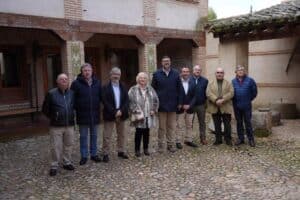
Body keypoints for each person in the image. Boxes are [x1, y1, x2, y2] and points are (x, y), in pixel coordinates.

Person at [42, 73, 75, 176]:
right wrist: (55, 117)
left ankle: (67, 162)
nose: (64, 81)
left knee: (68, 145)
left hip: (69, 124)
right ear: (57, 82)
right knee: (56, 146)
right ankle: (54, 165)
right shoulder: (51, 93)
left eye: (66, 79)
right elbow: (45, 109)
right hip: (56, 126)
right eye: (62, 79)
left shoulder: (72, 93)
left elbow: (73, 106)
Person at [71, 63, 102, 165]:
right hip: (82, 115)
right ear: (82, 72)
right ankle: (84, 156)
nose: (87, 72)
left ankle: (94, 154)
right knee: (83, 137)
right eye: (85, 70)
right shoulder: (76, 84)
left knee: (94, 135)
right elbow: (72, 99)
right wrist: (78, 108)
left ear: (92, 71)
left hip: (95, 114)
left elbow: (101, 97)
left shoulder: (97, 82)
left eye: (89, 70)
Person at [151, 56, 183, 153]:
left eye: (168, 61)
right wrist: (154, 105)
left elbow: (180, 89)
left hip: (173, 105)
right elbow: (153, 91)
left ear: (170, 62)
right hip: (161, 106)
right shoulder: (156, 74)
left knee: (171, 126)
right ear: (161, 63)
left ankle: (170, 144)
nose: (166, 62)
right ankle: (161, 146)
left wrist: (180, 102)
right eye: (164, 61)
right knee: (161, 127)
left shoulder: (176, 74)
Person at [128, 72, 159, 157]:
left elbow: (156, 100)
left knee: (146, 132)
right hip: (138, 115)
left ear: (147, 80)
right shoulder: (133, 89)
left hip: (149, 114)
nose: (142, 79)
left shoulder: (150, 89)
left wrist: (154, 109)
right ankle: (137, 150)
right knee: (138, 132)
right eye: (141, 78)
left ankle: (145, 149)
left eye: (144, 78)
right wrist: (136, 110)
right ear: (138, 79)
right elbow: (130, 102)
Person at [102, 67, 129, 162]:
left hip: (122, 113)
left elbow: (126, 100)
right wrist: (114, 111)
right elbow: (105, 101)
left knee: (122, 134)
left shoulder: (123, 86)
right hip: (110, 114)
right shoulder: (105, 87)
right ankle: (105, 153)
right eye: (114, 74)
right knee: (107, 135)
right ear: (110, 75)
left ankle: (121, 151)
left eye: (118, 74)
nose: (116, 76)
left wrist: (121, 110)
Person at [206, 68, 234, 146]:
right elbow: (208, 93)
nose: (219, 74)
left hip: (225, 106)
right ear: (215, 74)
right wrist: (215, 100)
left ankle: (228, 139)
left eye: (221, 72)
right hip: (215, 107)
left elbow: (231, 93)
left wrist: (223, 100)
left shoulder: (228, 83)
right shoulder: (211, 83)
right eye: (218, 72)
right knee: (217, 124)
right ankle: (218, 140)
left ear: (223, 74)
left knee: (227, 124)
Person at [232, 65, 257, 147]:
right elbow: (231, 93)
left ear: (244, 71)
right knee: (239, 123)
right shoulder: (233, 81)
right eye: (239, 70)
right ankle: (241, 138)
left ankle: (251, 139)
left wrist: (248, 99)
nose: (240, 71)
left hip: (246, 106)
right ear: (236, 72)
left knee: (248, 123)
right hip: (237, 106)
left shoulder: (250, 80)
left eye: (242, 70)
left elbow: (254, 92)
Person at [175, 67, 198, 149]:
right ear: (181, 72)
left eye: (187, 72)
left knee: (189, 125)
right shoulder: (177, 82)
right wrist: (180, 104)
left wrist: (189, 105)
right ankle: (178, 141)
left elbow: (195, 96)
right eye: (184, 71)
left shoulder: (193, 82)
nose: (185, 73)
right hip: (180, 108)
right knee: (179, 125)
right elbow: (175, 94)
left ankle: (189, 140)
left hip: (190, 108)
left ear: (189, 73)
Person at [191, 65, 208, 145]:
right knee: (190, 123)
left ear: (200, 71)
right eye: (196, 70)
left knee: (202, 122)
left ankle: (203, 138)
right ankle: (189, 139)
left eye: (199, 70)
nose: (197, 71)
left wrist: (206, 103)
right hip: (191, 105)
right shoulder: (188, 80)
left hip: (201, 105)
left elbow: (207, 93)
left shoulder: (205, 81)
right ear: (193, 71)